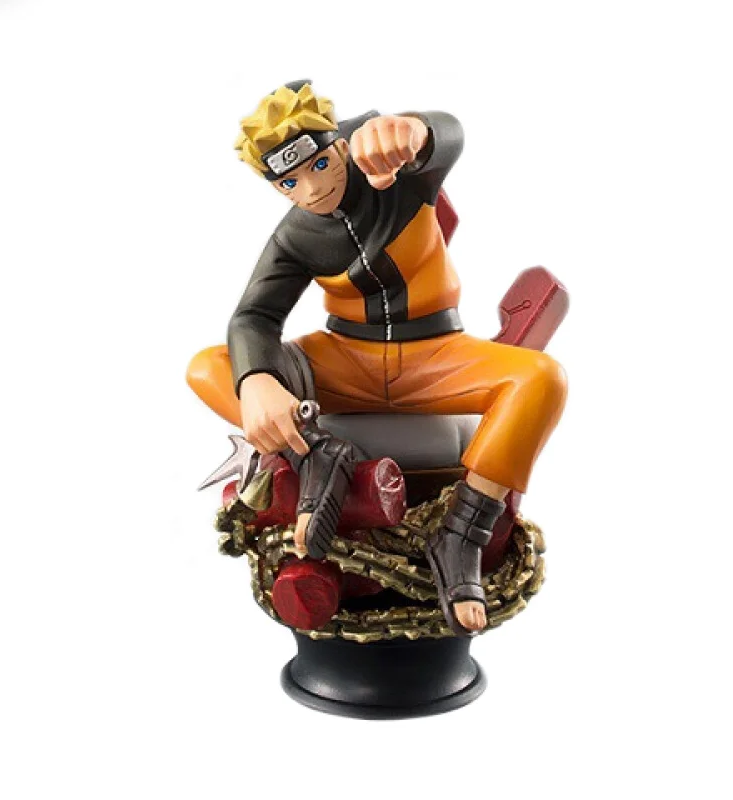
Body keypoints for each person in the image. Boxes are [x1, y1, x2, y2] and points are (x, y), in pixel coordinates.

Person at [188, 81, 567, 635]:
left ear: (340, 145)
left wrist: (415, 131)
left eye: (320, 164)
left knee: (543, 378)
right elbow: (253, 316)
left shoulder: (399, 175)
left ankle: (462, 532)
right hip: (345, 359)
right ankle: (320, 453)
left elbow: (449, 134)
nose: (312, 189)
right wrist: (259, 379)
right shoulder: (294, 236)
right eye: (289, 182)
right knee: (208, 365)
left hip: (436, 354)